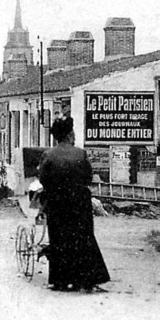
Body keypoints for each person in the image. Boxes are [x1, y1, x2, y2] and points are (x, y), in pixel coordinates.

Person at [37, 116, 110, 292]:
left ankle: (60, 281)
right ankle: (85, 280)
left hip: (57, 202)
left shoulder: (48, 154)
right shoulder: (81, 153)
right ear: (69, 135)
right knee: (83, 238)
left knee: (59, 238)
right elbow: (87, 177)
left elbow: (43, 179)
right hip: (79, 202)